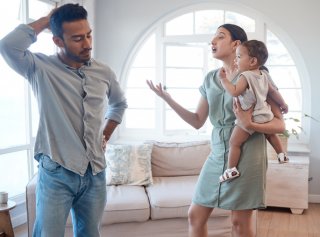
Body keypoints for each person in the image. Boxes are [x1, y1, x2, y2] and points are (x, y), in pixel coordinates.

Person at [0, 4, 127, 237]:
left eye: (89, 35)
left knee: (90, 233)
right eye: (78, 38)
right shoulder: (39, 67)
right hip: (56, 171)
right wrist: (47, 20)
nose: (87, 44)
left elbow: (119, 104)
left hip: (95, 172)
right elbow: (7, 45)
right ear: (58, 41)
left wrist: (106, 133)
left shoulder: (104, 71)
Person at [147, 24, 285, 237]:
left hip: (248, 153)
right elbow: (197, 120)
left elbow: (279, 124)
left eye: (220, 37)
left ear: (236, 44)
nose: (212, 41)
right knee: (195, 214)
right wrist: (168, 99)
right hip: (218, 153)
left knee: (239, 222)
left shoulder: (257, 76)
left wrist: (251, 125)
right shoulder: (211, 78)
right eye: (213, 37)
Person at [218, 39, 289, 183]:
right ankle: (281, 154)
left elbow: (234, 91)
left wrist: (224, 80)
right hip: (265, 114)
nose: (236, 60)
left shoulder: (246, 76)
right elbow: (273, 92)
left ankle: (231, 169)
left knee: (234, 143)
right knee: (270, 134)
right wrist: (283, 104)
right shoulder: (264, 75)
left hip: (250, 118)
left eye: (239, 57)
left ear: (252, 61)